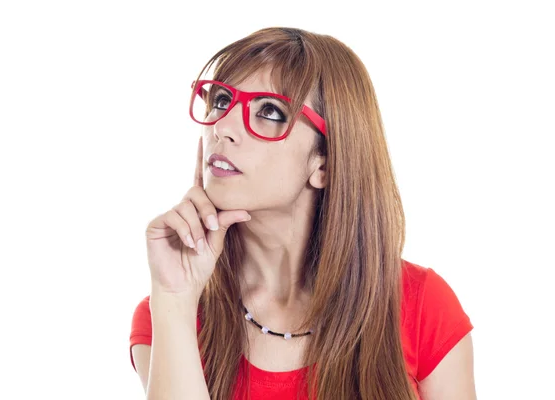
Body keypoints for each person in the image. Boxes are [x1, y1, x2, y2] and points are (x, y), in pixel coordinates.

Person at [129, 27, 476, 400]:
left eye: (269, 111)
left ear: (324, 164)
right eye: (221, 100)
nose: (223, 127)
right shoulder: (169, 311)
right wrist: (175, 300)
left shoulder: (421, 307)